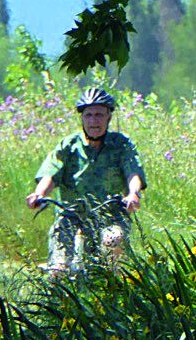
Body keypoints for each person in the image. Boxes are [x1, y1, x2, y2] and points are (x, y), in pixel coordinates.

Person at [26, 87, 145, 273]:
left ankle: (118, 291)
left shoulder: (121, 144)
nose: (93, 121)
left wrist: (133, 194)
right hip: (71, 216)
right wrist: (39, 194)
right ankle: (59, 296)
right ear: (82, 118)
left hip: (110, 215)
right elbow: (51, 173)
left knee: (113, 244)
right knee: (58, 270)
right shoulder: (69, 145)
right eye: (88, 115)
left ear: (108, 117)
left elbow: (133, 172)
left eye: (99, 115)